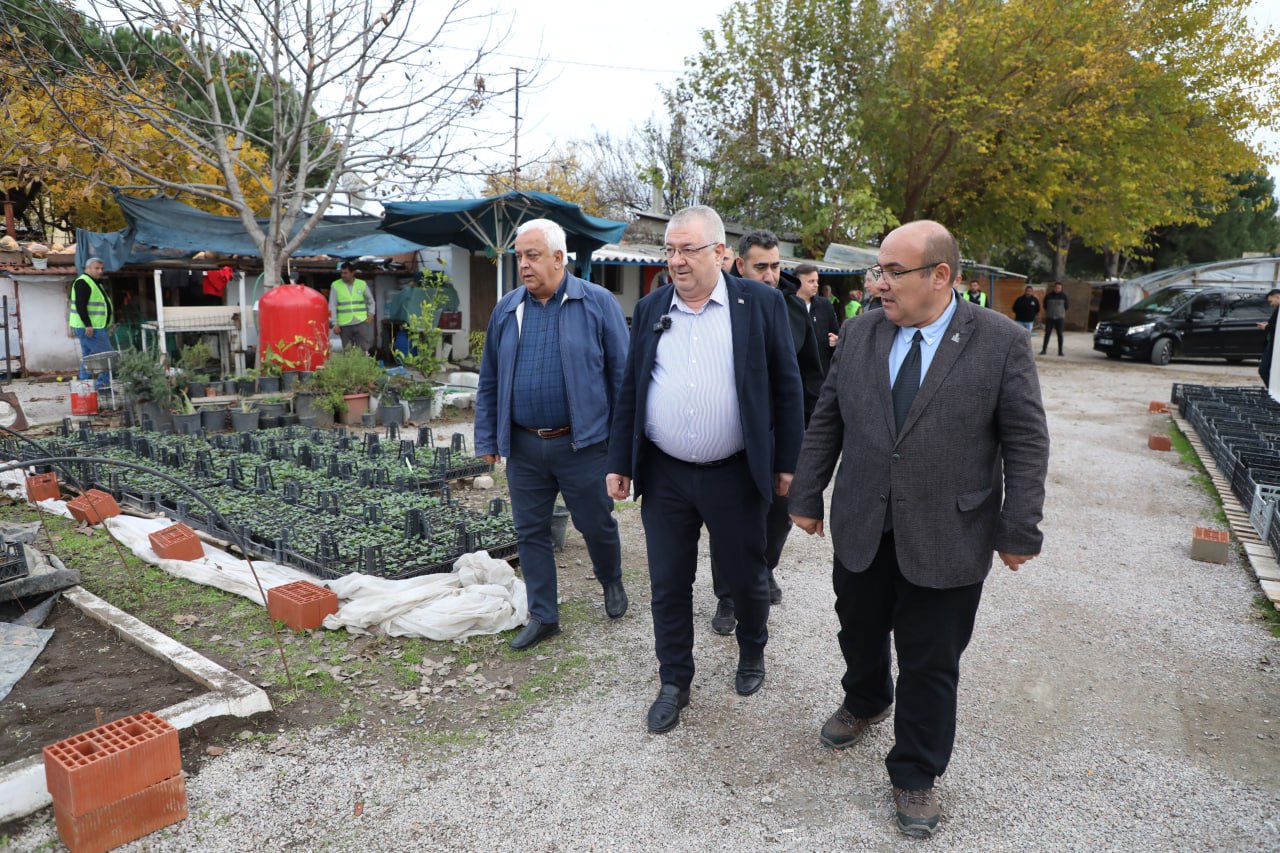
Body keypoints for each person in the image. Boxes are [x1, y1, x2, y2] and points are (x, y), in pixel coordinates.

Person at [788, 220, 1048, 838]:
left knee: (931, 661)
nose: (878, 284)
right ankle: (867, 698)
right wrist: (806, 494)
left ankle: (915, 772)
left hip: (948, 531)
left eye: (892, 272)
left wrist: (1019, 529)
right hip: (863, 519)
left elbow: (1026, 441)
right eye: (878, 271)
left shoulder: (999, 341)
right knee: (857, 623)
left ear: (940, 276)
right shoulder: (859, 332)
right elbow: (828, 419)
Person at [606, 206, 804, 733]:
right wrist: (619, 462)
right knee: (668, 583)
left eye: (687, 249)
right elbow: (632, 388)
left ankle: (752, 653)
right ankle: (674, 680)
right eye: (669, 250)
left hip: (735, 473)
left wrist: (788, 464)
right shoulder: (651, 308)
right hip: (666, 474)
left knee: (745, 576)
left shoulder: (759, 304)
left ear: (720, 253)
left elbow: (787, 388)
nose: (676, 260)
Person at [475, 219, 630, 650]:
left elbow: (623, 380)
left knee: (596, 524)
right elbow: (489, 379)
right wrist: (488, 437)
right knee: (530, 532)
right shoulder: (507, 309)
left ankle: (611, 581)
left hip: (583, 444)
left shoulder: (597, 304)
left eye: (533, 255)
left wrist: (623, 451)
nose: (523, 265)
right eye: (519, 257)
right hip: (524, 445)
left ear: (559, 259)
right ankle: (544, 615)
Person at [702, 231, 822, 635]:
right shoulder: (719, 310)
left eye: (775, 267)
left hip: (781, 434)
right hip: (734, 440)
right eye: (761, 267)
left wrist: (805, 435)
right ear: (740, 265)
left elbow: (809, 376)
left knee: (778, 516)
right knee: (728, 521)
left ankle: (764, 568)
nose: (770, 276)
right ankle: (726, 595)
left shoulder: (793, 310)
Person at [69, 257, 115, 391]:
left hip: (92, 327)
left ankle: (85, 386)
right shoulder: (83, 282)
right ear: (87, 269)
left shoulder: (95, 283)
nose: (100, 271)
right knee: (105, 356)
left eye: (102, 268)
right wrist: (88, 324)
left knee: (88, 357)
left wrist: (108, 323)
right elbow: (81, 306)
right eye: (97, 268)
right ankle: (103, 386)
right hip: (90, 328)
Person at [798, 263, 841, 374]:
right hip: (795, 370)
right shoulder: (786, 304)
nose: (816, 285)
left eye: (817, 281)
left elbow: (835, 333)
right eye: (811, 281)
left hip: (820, 371)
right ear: (798, 282)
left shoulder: (825, 305)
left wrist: (836, 340)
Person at [329, 262, 375, 353]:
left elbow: (371, 301)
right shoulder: (335, 285)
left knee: (363, 349)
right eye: (341, 273)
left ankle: (363, 367)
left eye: (345, 273)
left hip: (361, 322)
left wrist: (371, 314)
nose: (343, 275)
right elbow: (332, 305)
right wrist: (334, 323)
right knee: (347, 350)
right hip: (344, 324)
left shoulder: (362, 284)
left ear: (352, 272)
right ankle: (350, 367)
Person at [1258, 288, 1280, 386]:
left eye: (1270, 301)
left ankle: (1273, 391)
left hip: (1275, 345)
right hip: (1272, 344)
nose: (1270, 304)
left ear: (1277, 297)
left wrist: (1266, 326)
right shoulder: (1277, 310)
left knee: (1264, 370)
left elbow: (1277, 328)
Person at [1041, 281, 1068, 356]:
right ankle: (1044, 350)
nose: (1057, 289)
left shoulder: (1064, 296)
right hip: (1050, 318)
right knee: (1047, 334)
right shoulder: (1048, 296)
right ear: (1054, 288)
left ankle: (1060, 351)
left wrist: (1060, 313)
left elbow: (1066, 307)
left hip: (1060, 318)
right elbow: (1044, 306)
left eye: (1059, 288)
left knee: (1060, 335)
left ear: (1061, 288)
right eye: (1056, 287)